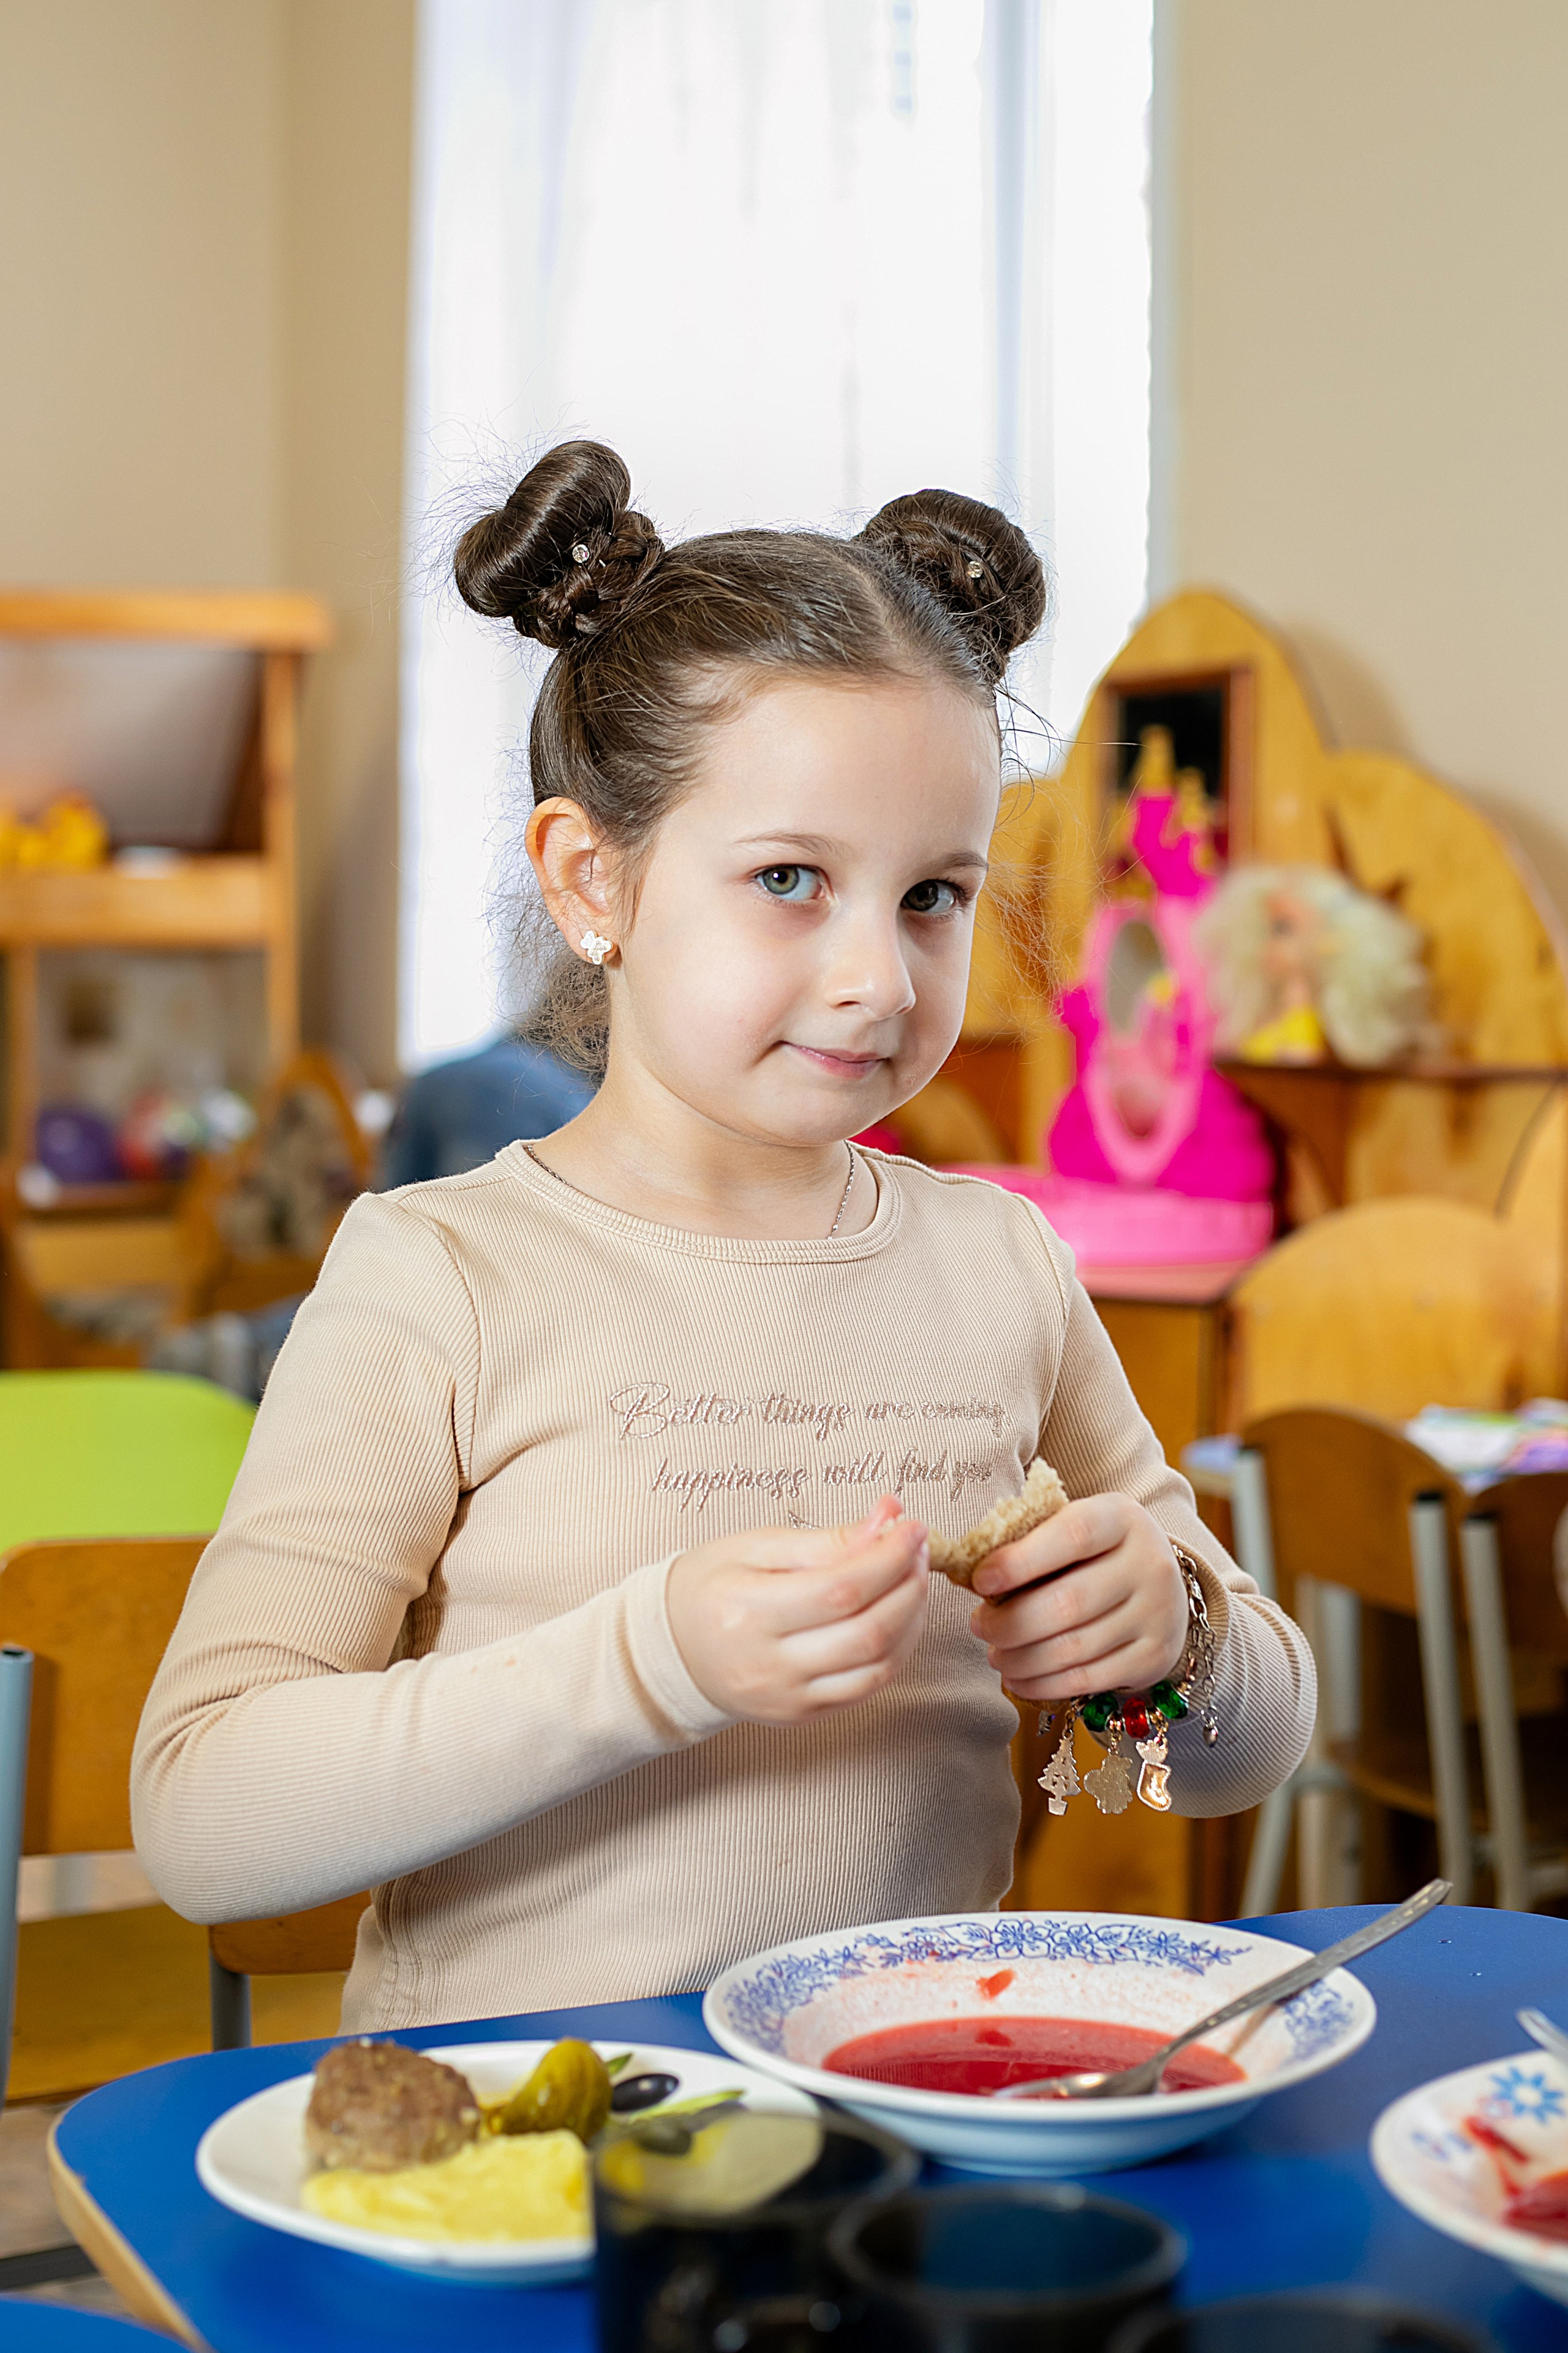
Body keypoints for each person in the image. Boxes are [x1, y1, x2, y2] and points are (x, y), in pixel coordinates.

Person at [132, 443, 1314, 2031]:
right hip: (531, 2127)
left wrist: (1171, 1638)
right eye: (789, 879)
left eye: (933, 896)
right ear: (592, 880)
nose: (878, 978)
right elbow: (205, 1816)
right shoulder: (443, 1275)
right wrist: (650, 1661)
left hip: (906, 2098)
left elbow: (1234, 1759)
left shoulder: (1003, 1266)